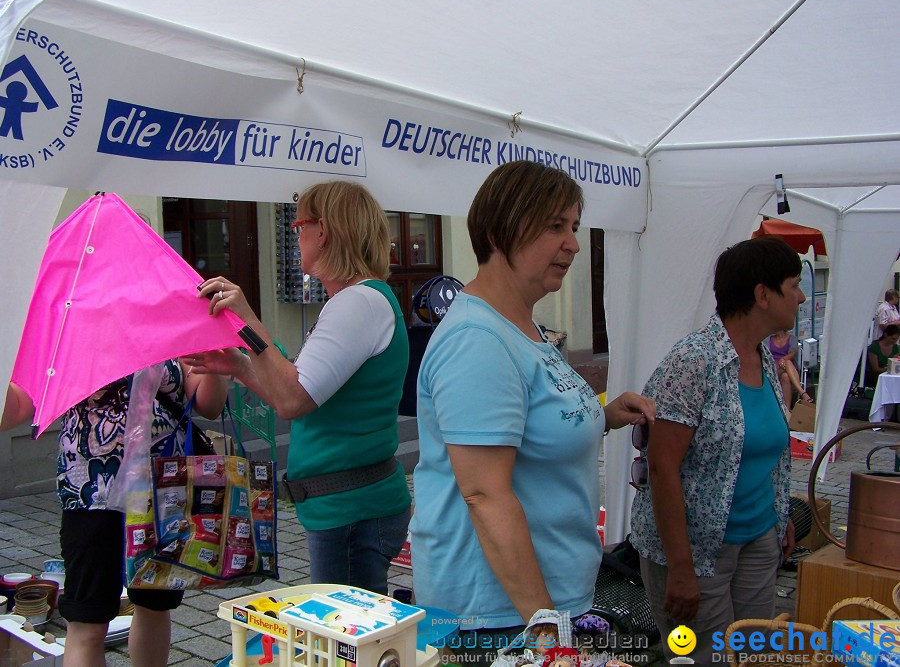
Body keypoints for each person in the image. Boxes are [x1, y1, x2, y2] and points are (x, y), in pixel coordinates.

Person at [410, 160, 655, 664]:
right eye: (555, 226)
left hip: (541, 605)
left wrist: (603, 414)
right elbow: (484, 493)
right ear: (502, 229)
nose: (573, 243)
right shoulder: (478, 340)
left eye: (574, 227)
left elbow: (528, 423)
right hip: (499, 618)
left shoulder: (521, 326)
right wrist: (550, 636)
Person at [184, 181, 411, 595]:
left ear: (323, 230)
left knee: (350, 647)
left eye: (300, 224)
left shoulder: (357, 303)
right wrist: (238, 363)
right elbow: (300, 389)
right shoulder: (356, 301)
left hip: (352, 509)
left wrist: (247, 319)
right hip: (348, 505)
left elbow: (292, 399)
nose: (296, 233)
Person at [630, 236, 800, 664]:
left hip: (759, 540)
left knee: (755, 654)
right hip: (698, 553)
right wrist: (681, 568)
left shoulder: (763, 358)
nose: (799, 297)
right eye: (793, 285)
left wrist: (779, 517)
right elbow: (662, 467)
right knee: (708, 658)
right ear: (762, 294)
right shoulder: (693, 361)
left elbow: (769, 450)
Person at [1, 361, 227, 667]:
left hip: (160, 494)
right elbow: (16, 405)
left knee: (154, 605)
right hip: (91, 493)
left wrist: (212, 359)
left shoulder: (172, 317)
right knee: (87, 617)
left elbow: (209, 405)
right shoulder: (71, 320)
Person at [769, 329, 812, 408]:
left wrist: (783, 359)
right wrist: (782, 361)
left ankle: (787, 409)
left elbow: (792, 353)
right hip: (773, 368)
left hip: (787, 369)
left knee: (785, 377)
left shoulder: (792, 338)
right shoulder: (769, 339)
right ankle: (803, 393)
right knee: (788, 362)